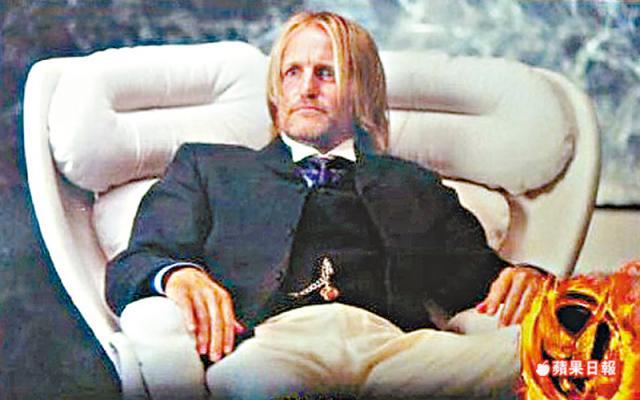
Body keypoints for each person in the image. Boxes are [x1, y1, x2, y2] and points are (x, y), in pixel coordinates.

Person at [106, 10, 548, 399]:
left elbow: (481, 277)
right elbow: (135, 263)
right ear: (276, 93)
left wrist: (526, 278)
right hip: (273, 349)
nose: (306, 89)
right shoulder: (210, 169)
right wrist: (179, 274)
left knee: (556, 353)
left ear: (361, 92)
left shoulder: (413, 184)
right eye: (292, 73)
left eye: (326, 73)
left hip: (399, 353)